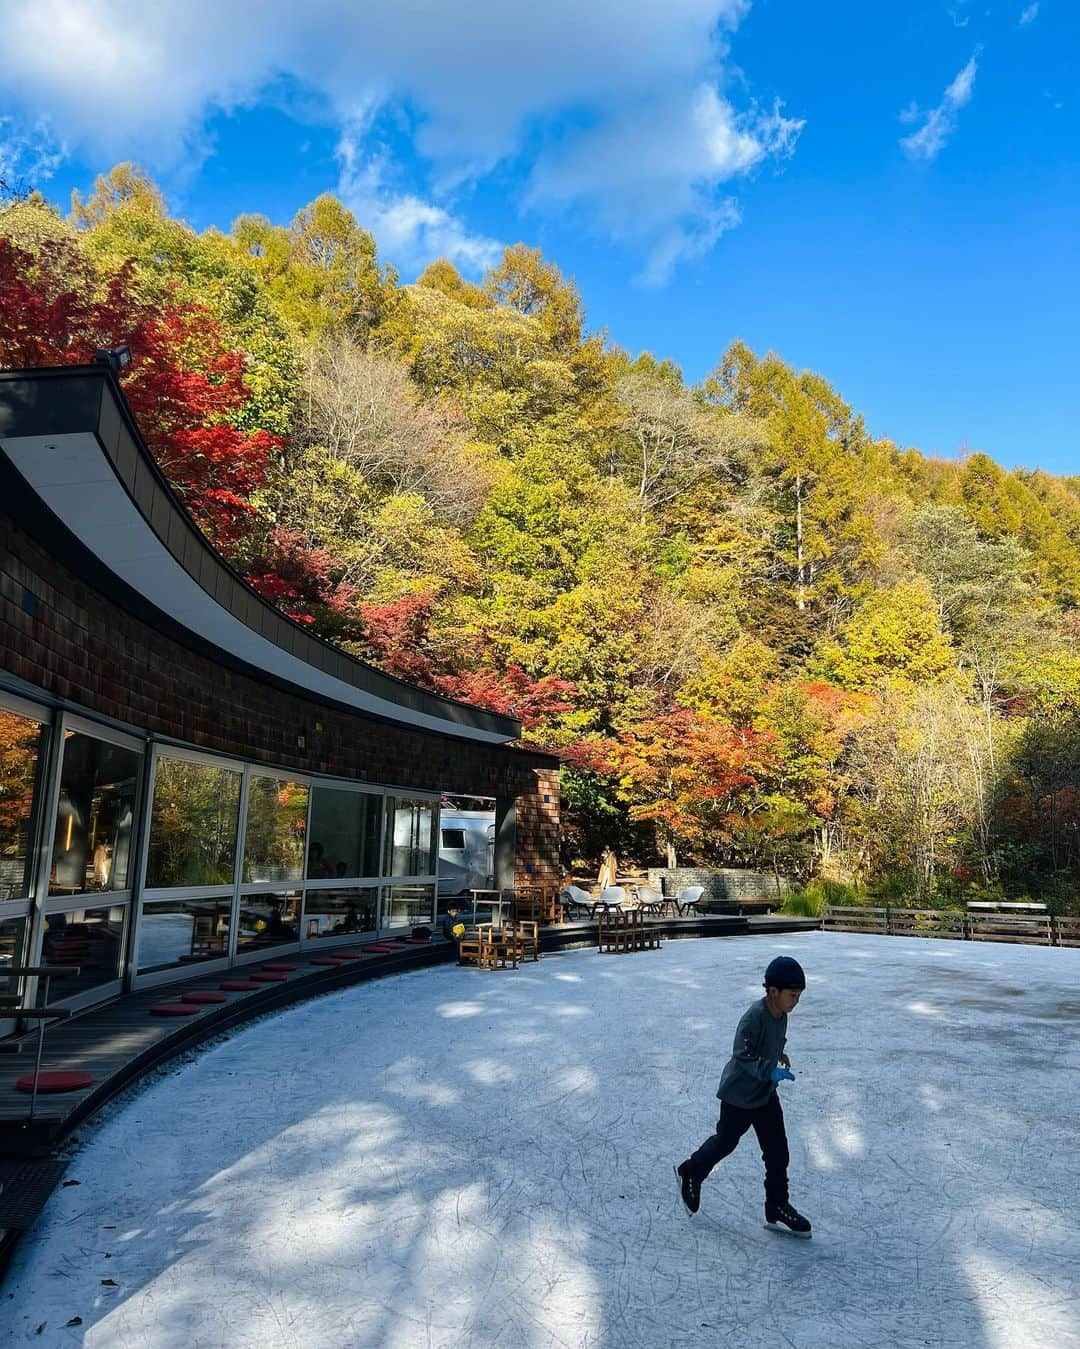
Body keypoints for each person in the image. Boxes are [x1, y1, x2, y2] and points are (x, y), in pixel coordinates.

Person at [675, 954, 812, 1237]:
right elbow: (742, 1055)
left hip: (764, 1095)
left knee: (778, 1152)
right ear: (773, 991)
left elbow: (774, 1040)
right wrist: (769, 1070)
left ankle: (777, 1204)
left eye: (799, 996)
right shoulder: (753, 1016)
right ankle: (692, 1170)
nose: (795, 1001)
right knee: (726, 1142)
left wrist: (779, 1054)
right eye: (792, 995)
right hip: (739, 1096)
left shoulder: (782, 1014)